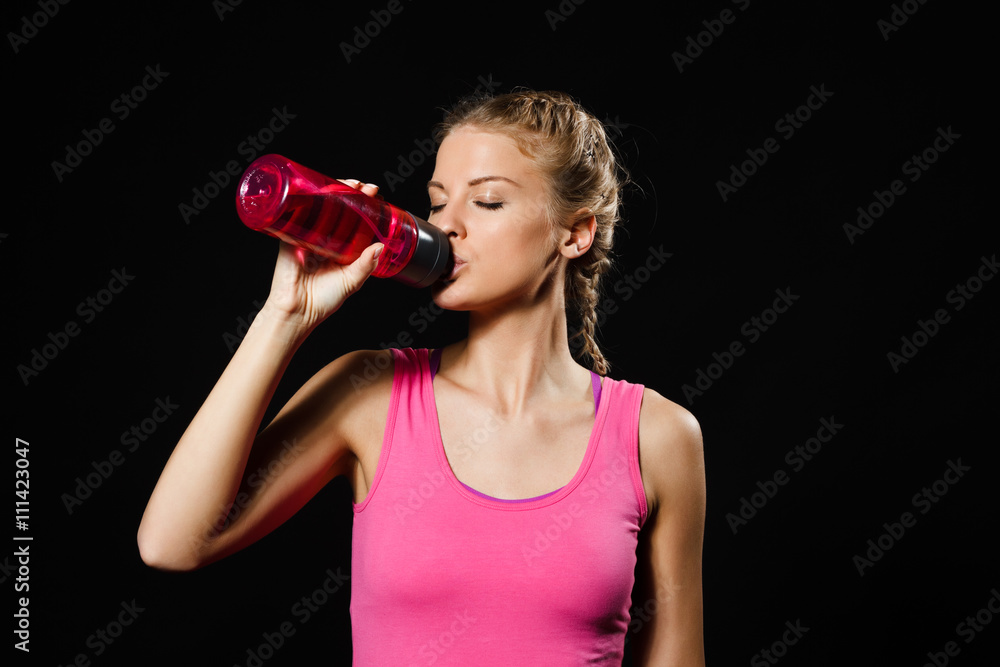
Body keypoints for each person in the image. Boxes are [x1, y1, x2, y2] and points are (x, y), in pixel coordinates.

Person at [138, 89, 706, 665]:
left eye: (486, 202)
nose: (445, 225)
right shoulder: (368, 393)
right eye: (436, 203)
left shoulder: (657, 436)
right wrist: (285, 315)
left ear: (574, 233)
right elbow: (171, 544)